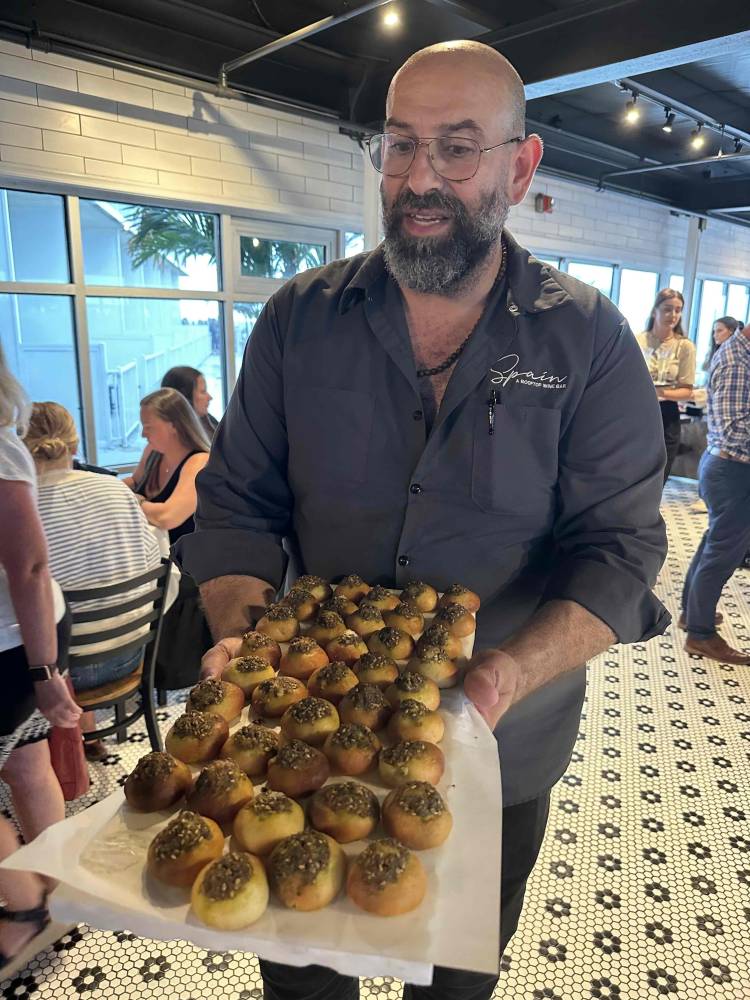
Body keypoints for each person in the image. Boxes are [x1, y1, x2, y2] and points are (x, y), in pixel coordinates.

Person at [178, 41, 668, 1000]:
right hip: (309, 747)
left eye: (457, 147)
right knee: (307, 969)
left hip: (503, 749)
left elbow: (618, 550)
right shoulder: (298, 321)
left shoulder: (591, 341)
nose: (419, 179)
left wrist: (507, 672)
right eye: (399, 146)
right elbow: (238, 502)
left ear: (520, 168)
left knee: (453, 976)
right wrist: (244, 635)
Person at [0, 351, 81, 966]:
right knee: (26, 761)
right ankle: (59, 892)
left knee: (26, 762)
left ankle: (22, 908)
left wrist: (44, 673)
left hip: (16, 646)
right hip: (25, 641)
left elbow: (28, 566)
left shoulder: (2, 450)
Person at [24, 402, 162, 761]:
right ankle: (85, 735)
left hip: (56, 676)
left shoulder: (21, 509)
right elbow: (154, 564)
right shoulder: (115, 490)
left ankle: (38, 753)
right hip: (128, 652)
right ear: (75, 443)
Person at [126, 388, 211, 692]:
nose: (144, 434)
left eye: (149, 427)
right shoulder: (152, 455)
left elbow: (169, 515)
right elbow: (133, 484)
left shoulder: (198, 462)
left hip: (183, 567)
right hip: (150, 557)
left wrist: (133, 501)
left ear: (173, 425)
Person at [681, 321, 750, 664]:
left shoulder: (740, 354)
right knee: (723, 552)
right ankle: (701, 633)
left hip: (727, 466)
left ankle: (691, 614)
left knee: (715, 542)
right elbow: (736, 428)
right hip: (733, 469)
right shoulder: (738, 360)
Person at [635, 288, 697, 483]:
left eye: (678, 310)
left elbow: (687, 390)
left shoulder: (684, 346)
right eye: (668, 309)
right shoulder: (638, 340)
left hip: (667, 415)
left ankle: (648, 514)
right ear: (655, 311)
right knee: (631, 473)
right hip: (637, 413)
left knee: (658, 478)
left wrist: (659, 392)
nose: (674, 315)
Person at [161, 365, 219, 440]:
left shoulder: (209, 421)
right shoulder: (172, 441)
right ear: (185, 398)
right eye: (203, 391)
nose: (210, 397)